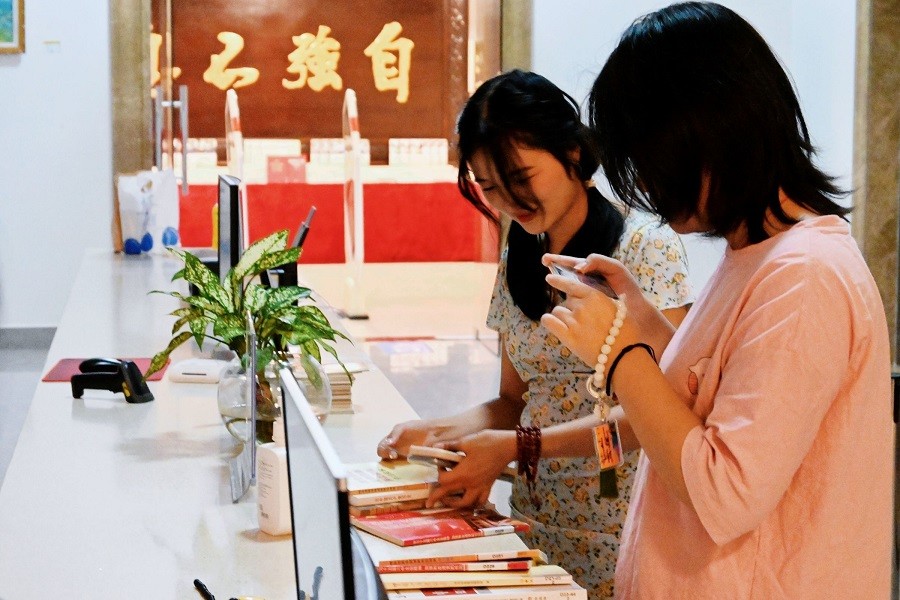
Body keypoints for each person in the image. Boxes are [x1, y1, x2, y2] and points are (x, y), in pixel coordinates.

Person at [538, 3, 892, 598]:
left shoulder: (806, 276)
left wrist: (620, 354)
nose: (645, 185)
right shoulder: (757, 255)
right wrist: (645, 324)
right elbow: (718, 396)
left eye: (650, 161)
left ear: (713, 133)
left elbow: (726, 492)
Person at [376, 69, 694, 599]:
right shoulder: (520, 252)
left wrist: (517, 446)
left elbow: (661, 414)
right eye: (489, 187)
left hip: (628, 533)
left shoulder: (645, 248)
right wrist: (436, 431)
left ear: (572, 151)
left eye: (520, 177)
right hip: (534, 528)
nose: (509, 200)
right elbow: (514, 400)